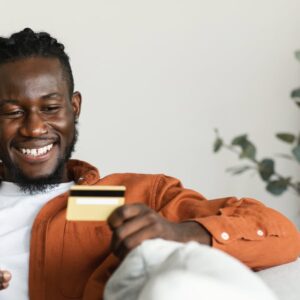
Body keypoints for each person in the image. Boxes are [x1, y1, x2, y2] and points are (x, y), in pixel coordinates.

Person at [0, 28, 298, 300]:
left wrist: (178, 234)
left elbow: (281, 236)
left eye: (51, 108)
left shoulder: (123, 196)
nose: (34, 127)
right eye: (12, 112)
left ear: (74, 108)